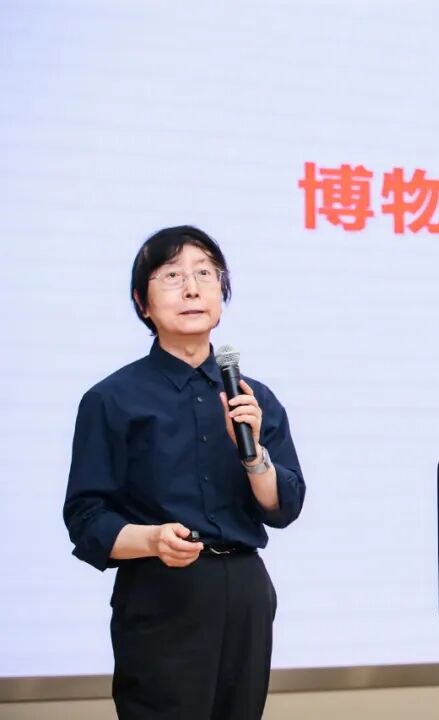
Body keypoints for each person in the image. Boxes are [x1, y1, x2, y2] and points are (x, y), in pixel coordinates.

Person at [63, 225, 306, 719]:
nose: (192, 288)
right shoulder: (112, 399)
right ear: (142, 302)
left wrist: (253, 454)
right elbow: (86, 519)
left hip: (245, 589)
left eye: (205, 274)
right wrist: (152, 540)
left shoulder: (254, 398)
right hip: (161, 591)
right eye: (172, 276)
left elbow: (285, 507)